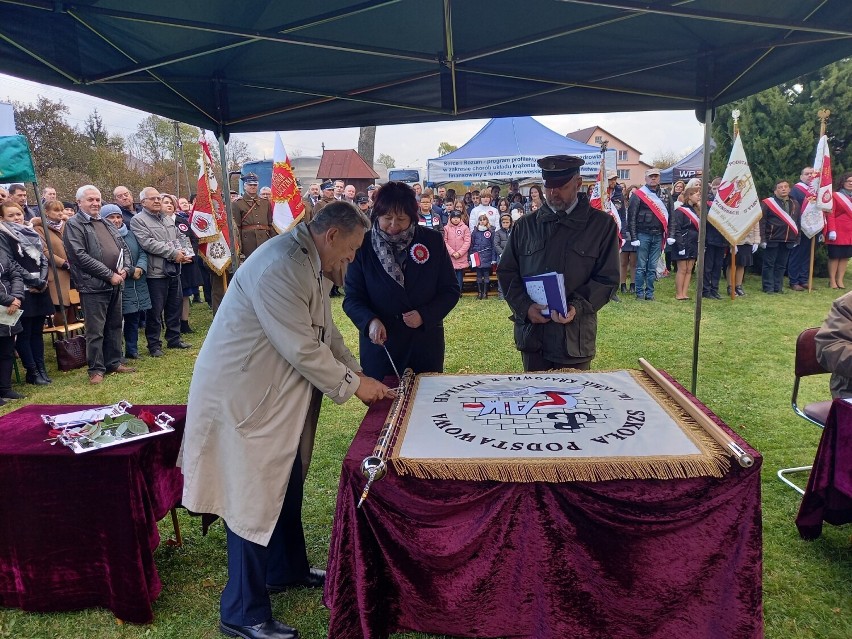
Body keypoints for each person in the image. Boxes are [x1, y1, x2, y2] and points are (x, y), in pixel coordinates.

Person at [179, 201, 394, 639]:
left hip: (270, 397)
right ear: (332, 235)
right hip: (244, 398)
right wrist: (355, 385)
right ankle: (242, 612)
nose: (351, 261)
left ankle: (285, 568)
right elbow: (302, 348)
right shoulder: (280, 264)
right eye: (351, 251)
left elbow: (326, 334)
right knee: (249, 498)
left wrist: (360, 374)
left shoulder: (306, 260)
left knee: (286, 481)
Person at [497, 155, 619, 372]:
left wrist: (576, 307)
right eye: (548, 186)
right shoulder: (525, 226)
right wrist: (525, 307)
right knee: (535, 400)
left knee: (574, 403)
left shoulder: (601, 225)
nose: (553, 193)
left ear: (578, 184)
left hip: (574, 338)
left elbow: (607, 279)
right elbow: (507, 273)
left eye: (561, 186)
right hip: (535, 338)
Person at [343, 181, 459, 379]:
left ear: (412, 218)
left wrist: (425, 315)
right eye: (387, 218)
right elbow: (352, 298)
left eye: (401, 219)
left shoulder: (432, 241)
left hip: (424, 345)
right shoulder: (363, 246)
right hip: (382, 348)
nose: (394, 226)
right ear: (376, 214)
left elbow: (450, 290)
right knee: (384, 408)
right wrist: (370, 321)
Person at [63, 185, 134, 384]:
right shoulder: (74, 224)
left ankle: (114, 361)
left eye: (97, 200)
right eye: (90, 200)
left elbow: (124, 247)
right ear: (79, 203)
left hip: (116, 283)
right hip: (93, 286)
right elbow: (79, 256)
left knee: (114, 325)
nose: (95, 203)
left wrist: (126, 268)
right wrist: (108, 274)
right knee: (95, 330)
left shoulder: (106, 222)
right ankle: (96, 369)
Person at [130, 187, 193, 357]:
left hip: (174, 269)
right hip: (155, 272)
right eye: (153, 199)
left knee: (175, 306)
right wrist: (173, 253)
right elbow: (148, 243)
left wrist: (185, 252)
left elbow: (179, 237)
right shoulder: (138, 220)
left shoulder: (167, 219)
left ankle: (174, 339)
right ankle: (154, 345)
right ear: (143, 202)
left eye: (159, 198)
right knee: (155, 311)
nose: (157, 201)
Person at [0, 201, 52, 384]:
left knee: (37, 331)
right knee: (25, 332)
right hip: (21, 289)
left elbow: (43, 258)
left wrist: (43, 280)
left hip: (39, 288)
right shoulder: (3, 235)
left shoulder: (31, 231)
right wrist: (33, 281)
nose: (17, 218)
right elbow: (11, 263)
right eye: (11, 215)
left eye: (19, 213)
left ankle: (41, 368)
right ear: (2, 218)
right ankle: (32, 371)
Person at [102, 204, 151, 360]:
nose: (116, 220)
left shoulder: (131, 234)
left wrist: (140, 268)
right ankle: (117, 352)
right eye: (111, 217)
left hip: (137, 282)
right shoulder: (103, 236)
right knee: (116, 321)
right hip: (117, 282)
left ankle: (132, 349)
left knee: (133, 318)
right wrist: (124, 272)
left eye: (118, 217)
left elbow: (143, 252)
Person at [627, 168, 669, 301]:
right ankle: (639, 293)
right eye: (651, 176)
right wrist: (634, 237)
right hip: (642, 235)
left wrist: (671, 234)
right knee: (640, 266)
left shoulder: (665, 194)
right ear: (645, 178)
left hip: (658, 235)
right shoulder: (638, 195)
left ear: (659, 178)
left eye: (656, 176)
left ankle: (649, 293)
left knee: (652, 266)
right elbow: (631, 217)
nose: (653, 179)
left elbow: (671, 216)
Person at [31, 200, 72, 325]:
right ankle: (61, 340)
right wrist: (63, 263)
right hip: (57, 272)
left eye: (61, 210)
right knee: (61, 308)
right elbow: (44, 250)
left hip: (75, 270)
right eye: (56, 210)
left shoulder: (68, 225)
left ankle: (75, 340)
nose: (60, 213)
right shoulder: (39, 229)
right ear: (46, 212)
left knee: (73, 307)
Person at [759, 179, 800, 294]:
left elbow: (798, 222)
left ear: (789, 189)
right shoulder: (768, 203)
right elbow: (762, 221)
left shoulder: (795, 203)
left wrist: (797, 238)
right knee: (769, 264)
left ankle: (778, 287)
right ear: (775, 190)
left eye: (786, 186)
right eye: (780, 187)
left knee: (781, 265)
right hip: (772, 238)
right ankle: (768, 287)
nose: (783, 189)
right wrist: (762, 239)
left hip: (788, 239)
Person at [0, 233, 24, 402]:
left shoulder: (2, 253)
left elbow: (15, 274)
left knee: (7, 350)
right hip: (6, 303)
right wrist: (9, 300)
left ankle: (5, 388)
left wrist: (16, 297)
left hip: (9, 309)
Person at [668, 186, 701, 300]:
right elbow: (676, 229)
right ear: (689, 196)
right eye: (696, 194)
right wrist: (680, 245)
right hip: (682, 242)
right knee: (682, 269)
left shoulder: (697, 211)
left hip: (693, 243)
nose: (698, 197)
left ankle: (684, 293)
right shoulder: (680, 211)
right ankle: (679, 293)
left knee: (689, 269)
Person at [234, 173, 276, 260]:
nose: (253, 187)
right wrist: (239, 247)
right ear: (245, 186)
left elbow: (270, 223)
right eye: (250, 185)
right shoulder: (237, 204)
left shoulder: (265, 203)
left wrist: (273, 240)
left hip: (265, 240)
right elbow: (236, 228)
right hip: (248, 242)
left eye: (255, 185)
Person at [788, 167, 817, 291]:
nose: (809, 176)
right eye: (806, 174)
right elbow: (793, 209)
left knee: (807, 254)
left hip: (811, 227)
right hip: (799, 227)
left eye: (812, 174)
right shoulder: (796, 190)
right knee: (796, 254)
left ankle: (803, 279)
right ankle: (794, 281)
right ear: (801, 176)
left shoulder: (816, 190)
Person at [826, 172, 852, 289]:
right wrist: (831, 230)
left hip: (850, 232)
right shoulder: (835, 195)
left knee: (845, 256)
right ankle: (832, 280)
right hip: (837, 231)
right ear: (843, 182)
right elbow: (830, 214)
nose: (851, 183)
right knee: (835, 256)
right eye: (848, 181)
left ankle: (840, 280)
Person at [443, 208, 471, 293]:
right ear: (450, 218)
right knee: (450, 274)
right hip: (450, 256)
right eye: (454, 217)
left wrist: (459, 253)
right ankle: (451, 291)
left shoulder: (465, 228)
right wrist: (452, 252)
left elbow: (467, 241)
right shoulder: (446, 228)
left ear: (460, 218)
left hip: (460, 256)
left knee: (459, 273)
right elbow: (444, 241)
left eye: (457, 218)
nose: (455, 219)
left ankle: (459, 291)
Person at [469, 212, 495, 299]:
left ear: (487, 221)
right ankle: (479, 292)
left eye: (484, 219)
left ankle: (485, 293)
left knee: (486, 274)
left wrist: (493, 258)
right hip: (477, 256)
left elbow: (493, 245)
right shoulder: (475, 232)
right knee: (479, 274)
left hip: (487, 255)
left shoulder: (491, 231)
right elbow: (471, 245)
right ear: (478, 221)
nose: (482, 221)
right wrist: (470, 257)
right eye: (480, 220)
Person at [493, 213, 513, 300]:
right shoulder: (497, 233)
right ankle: (501, 295)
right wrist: (502, 254)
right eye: (503, 222)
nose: (505, 224)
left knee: (511, 276)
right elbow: (496, 244)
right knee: (501, 276)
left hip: (511, 257)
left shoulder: (513, 231)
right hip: (501, 257)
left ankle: (511, 294)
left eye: (507, 222)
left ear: (510, 222)